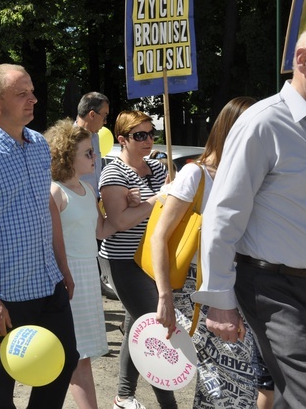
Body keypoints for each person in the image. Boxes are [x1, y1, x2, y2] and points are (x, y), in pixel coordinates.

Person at [191, 22, 306, 408]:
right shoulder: (263, 122)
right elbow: (224, 213)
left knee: (293, 394)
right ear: (303, 61)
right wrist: (219, 296)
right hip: (272, 287)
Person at [0, 63, 78, 409]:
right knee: (2, 383)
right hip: (8, 294)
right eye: (21, 94)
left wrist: (63, 268)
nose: (33, 100)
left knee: (63, 361)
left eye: (32, 92)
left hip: (48, 282)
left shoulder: (39, 144)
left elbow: (48, 208)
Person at [150, 97, 258, 408]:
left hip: (235, 282)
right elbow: (160, 237)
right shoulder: (196, 175)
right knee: (227, 383)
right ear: (231, 130)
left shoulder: (245, 177)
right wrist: (164, 297)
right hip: (195, 288)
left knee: (226, 384)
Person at [45, 119, 138, 409]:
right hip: (67, 278)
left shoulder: (87, 190)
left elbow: (102, 231)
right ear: (66, 155)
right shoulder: (54, 192)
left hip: (87, 276)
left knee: (81, 356)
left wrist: (135, 205)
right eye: (87, 153)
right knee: (73, 356)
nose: (94, 157)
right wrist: (63, 275)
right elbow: (49, 243)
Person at [99, 110, 173, 409]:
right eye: (139, 135)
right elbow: (118, 222)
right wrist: (158, 199)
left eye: (150, 134)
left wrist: (147, 202)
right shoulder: (113, 173)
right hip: (125, 261)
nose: (147, 140)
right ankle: (169, 405)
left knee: (135, 327)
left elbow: (171, 210)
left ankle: (124, 396)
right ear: (122, 140)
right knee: (154, 328)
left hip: (155, 260)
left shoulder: (158, 168)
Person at [75, 92, 110, 193]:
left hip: (95, 199)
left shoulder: (95, 136)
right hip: (77, 202)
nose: (105, 122)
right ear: (92, 114)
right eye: (105, 116)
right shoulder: (68, 140)